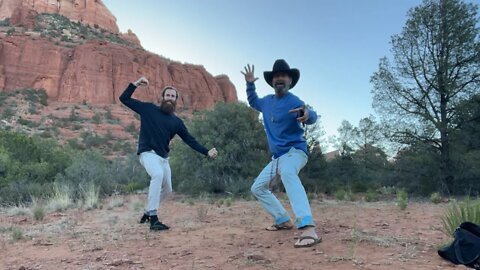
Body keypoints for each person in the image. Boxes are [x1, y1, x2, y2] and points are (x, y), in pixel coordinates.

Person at [119, 76, 218, 231]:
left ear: (176, 100)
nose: (170, 98)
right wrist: (136, 84)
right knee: (157, 175)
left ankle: (146, 213)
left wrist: (206, 152)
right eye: (168, 95)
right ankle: (153, 219)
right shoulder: (148, 109)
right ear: (162, 97)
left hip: (163, 158)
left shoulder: (177, 122)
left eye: (173, 96)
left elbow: (190, 140)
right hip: (148, 153)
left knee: (167, 190)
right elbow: (124, 98)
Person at [241, 59, 321, 248]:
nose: (280, 78)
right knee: (257, 188)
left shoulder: (294, 101)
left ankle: (308, 228)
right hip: (277, 158)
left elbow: (309, 113)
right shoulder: (267, 102)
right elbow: (253, 101)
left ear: (290, 81)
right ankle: (283, 220)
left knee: (287, 172)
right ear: (272, 81)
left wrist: (308, 115)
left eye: (284, 76)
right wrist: (250, 83)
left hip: (295, 152)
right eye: (276, 76)